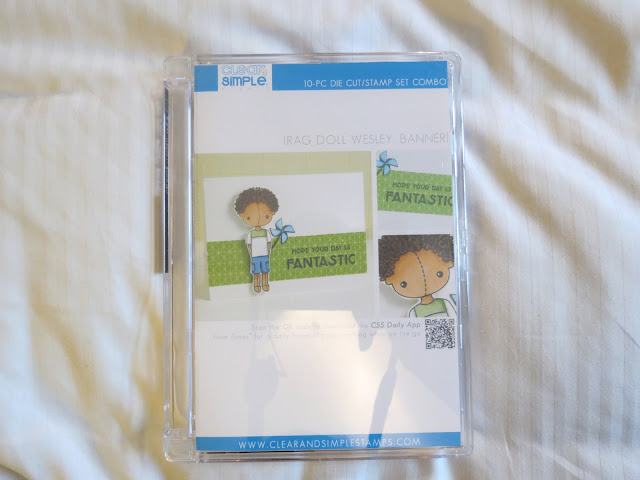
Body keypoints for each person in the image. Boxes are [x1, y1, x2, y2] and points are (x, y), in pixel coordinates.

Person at [379, 234, 456, 317]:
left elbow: (454, 317)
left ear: (449, 263)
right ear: (389, 279)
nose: (423, 284)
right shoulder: (414, 312)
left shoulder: (444, 303)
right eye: (404, 284)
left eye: (439, 274)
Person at [234, 187, 279, 293]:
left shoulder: (266, 233)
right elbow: (249, 245)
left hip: (265, 256)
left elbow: (269, 244)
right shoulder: (250, 234)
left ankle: (265, 283)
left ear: (272, 213)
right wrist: (251, 254)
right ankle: (256, 284)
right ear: (242, 214)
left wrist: (268, 252)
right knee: (256, 272)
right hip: (255, 257)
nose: (258, 219)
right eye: (249, 217)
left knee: (265, 271)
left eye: (266, 216)